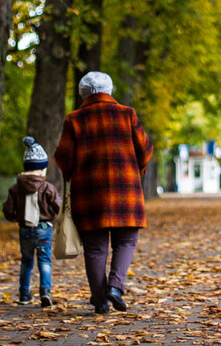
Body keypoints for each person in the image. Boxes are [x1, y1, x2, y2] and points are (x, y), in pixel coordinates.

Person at [54, 71, 153, 315]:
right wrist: (136, 170)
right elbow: (146, 149)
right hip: (125, 191)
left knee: (95, 248)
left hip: (89, 194)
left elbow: (63, 158)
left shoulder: (74, 119)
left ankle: (100, 301)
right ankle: (116, 288)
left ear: (83, 94)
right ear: (109, 91)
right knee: (126, 240)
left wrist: (72, 172)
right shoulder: (126, 114)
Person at [2, 136, 62, 308]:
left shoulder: (15, 188)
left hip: (25, 229)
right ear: (42, 168)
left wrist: (15, 218)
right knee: (44, 260)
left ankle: (24, 294)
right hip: (44, 229)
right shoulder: (48, 188)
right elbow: (59, 207)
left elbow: (8, 210)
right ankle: (45, 291)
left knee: (26, 261)